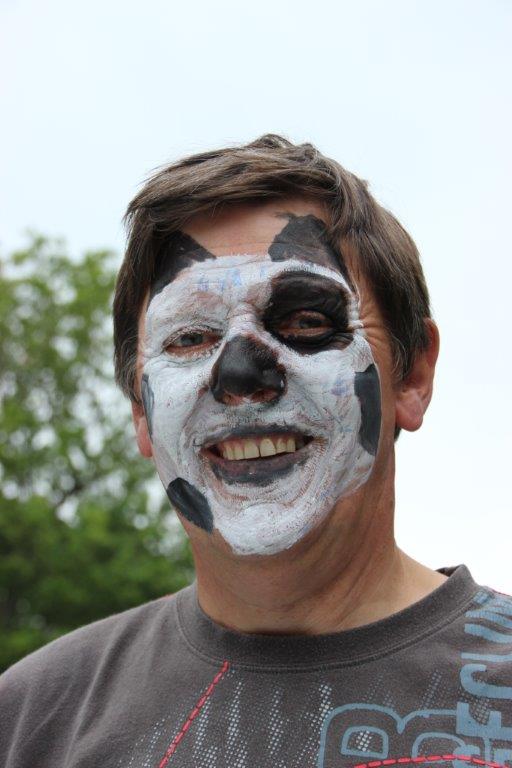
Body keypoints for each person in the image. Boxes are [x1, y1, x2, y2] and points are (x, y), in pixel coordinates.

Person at [1, 135, 511, 768]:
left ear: (412, 376)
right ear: (142, 409)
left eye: (305, 322)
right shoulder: (32, 721)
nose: (240, 379)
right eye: (189, 337)